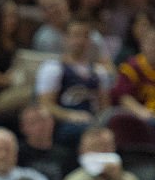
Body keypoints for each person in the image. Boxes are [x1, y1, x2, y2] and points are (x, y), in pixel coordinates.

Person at [35, 16, 110, 147]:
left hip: (92, 122)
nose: (80, 41)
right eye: (76, 35)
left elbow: (105, 107)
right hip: (65, 124)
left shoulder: (99, 72)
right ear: (66, 38)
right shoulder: (54, 68)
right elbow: (45, 105)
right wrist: (70, 115)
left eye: (85, 36)